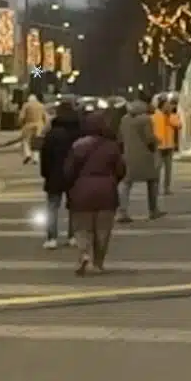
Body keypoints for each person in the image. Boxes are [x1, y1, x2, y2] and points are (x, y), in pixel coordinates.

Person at [63, 109, 126, 274]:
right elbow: (121, 170)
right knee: (103, 231)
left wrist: (71, 188)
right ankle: (98, 263)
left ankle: (84, 254)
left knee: (82, 228)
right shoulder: (112, 146)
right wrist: (111, 181)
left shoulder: (78, 146)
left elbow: (68, 172)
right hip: (106, 193)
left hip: (81, 193)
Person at [36, 101, 83, 250]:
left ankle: (52, 238)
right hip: (74, 174)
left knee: (52, 207)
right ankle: (73, 236)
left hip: (54, 174)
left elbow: (45, 156)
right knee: (75, 207)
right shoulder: (79, 131)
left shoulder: (52, 133)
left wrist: (45, 173)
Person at [118, 97, 164, 221]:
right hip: (145, 155)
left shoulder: (124, 119)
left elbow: (120, 137)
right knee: (153, 181)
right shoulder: (145, 119)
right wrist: (157, 141)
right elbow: (149, 137)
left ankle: (122, 211)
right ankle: (153, 210)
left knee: (126, 183)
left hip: (128, 154)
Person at [153, 95, 181, 196]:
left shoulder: (172, 116)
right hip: (159, 146)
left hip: (169, 145)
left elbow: (179, 125)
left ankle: (166, 188)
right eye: (166, 105)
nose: (169, 107)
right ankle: (155, 189)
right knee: (157, 169)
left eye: (169, 105)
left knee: (168, 170)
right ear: (161, 106)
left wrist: (170, 116)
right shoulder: (155, 115)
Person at [19, 92, 48, 165]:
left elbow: (21, 117)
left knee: (25, 141)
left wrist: (21, 124)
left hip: (28, 125)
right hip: (39, 126)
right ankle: (36, 158)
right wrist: (45, 126)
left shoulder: (26, 106)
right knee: (36, 143)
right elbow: (45, 117)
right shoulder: (41, 106)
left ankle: (28, 154)